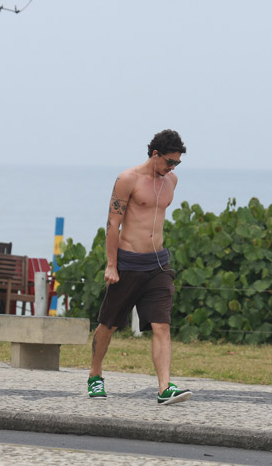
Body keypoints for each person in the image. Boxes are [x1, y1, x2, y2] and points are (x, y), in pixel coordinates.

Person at [87, 129, 192, 405]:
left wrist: (172, 172)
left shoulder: (172, 181)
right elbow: (113, 224)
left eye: (177, 163)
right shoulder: (127, 180)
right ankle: (95, 375)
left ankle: (164, 387)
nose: (172, 167)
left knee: (162, 325)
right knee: (108, 324)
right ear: (155, 154)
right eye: (169, 161)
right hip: (128, 263)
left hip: (158, 263)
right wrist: (112, 265)